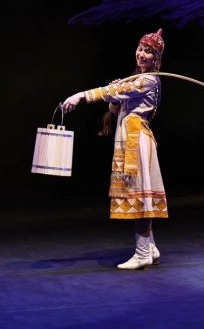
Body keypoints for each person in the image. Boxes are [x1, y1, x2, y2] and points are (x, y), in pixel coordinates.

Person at [62, 28, 168, 269]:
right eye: (140, 48)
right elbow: (115, 106)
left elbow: (113, 93)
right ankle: (150, 247)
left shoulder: (149, 80)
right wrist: (115, 97)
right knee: (141, 193)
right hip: (130, 138)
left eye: (148, 52)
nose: (141, 54)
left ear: (156, 58)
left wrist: (80, 96)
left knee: (138, 195)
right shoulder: (137, 79)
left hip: (137, 141)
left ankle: (142, 252)